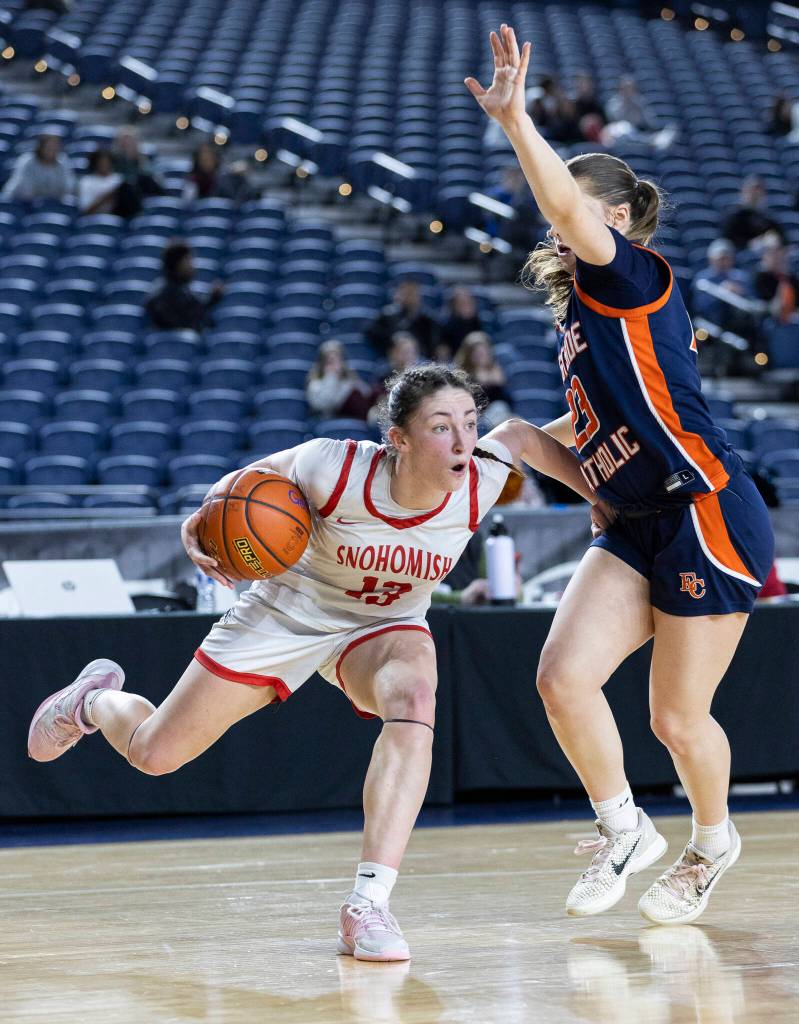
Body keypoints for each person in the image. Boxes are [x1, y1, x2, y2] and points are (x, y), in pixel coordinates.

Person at [27, 363, 608, 961]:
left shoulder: (483, 472)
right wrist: (196, 525)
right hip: (291, 611)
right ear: (399, 439)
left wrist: (601, 500)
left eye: (468, 423)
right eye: (441, 427)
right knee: (155, 753)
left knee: (414, 697)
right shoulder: (332, 465)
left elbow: (527, 437)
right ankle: (94, 700)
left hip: (387, 624)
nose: (462, 441)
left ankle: (369, 903)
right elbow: (236, 487)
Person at [467, 24, 775, 925]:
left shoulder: (630, 276)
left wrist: (519, 121)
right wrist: (514, 442)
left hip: (702, 509)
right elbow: (590, 428)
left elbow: (564, 208)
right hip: (631, 517)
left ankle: (711, 841)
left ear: (613, 220)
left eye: (573, 212)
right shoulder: (582, 321)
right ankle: (623, 827)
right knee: (561, 679)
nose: (557, 227)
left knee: (676, 721)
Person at [145, 239, 223, 331]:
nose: (192, 266)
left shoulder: (184, 290)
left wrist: (213, 300)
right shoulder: (160, 294)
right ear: (176, 264)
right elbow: (178, 325)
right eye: (187, 261)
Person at [366, 279, 440, 358]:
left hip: (419, 362)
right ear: (398, 295)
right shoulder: (387, 316)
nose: (410, 298)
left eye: (413, 293)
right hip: (391, 361)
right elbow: (372, 334)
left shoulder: (427, 321)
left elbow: (433, 346)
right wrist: (392, 342)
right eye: (406, 293)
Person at [690, 238, 753, 329]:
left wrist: (741, 292)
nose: (724, 262)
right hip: (712, 324)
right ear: (711, 259)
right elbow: (699, 305)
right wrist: (721, 292)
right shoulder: (702, 279)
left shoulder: (742, 278)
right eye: (720, 259)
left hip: (740, 325)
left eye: (727, 258)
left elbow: (753, 301)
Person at [454, 331, 513, 427]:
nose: (481, 356)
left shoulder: (497, 372)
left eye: (484, 352)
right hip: (476, 418)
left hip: (499, 415)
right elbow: (473, 404)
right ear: (469, 355)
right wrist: (482, 383)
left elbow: (509, 402)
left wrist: (499, 384)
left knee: (513, 419)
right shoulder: (462, 375)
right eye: (477, 353)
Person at [306, 339, 373, 419]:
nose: (335, 366)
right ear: (322, 364)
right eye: (330, 362)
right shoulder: (315, 384)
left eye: (338, 361)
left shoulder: (350, 379)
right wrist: (331, 378)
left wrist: (354, 382)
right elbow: (325, 406)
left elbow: (367, 396)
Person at [1, 133, 75, 203]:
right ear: (41, 148)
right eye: (49, 148)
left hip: (51, 201)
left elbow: (68, 187)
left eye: (55, 148)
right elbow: (25, 189)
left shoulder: (63, 161)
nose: (52, 151)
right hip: (20, 200)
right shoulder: (27, 160)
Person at [721, 176, 786, 250]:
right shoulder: (734, 216)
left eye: (759, 190)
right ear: (743, 191)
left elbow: (783, 239)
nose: (755, 193)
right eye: (752, 190)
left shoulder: (768, 218)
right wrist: (749, 244)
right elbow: (726, 241)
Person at [182, 143, 254, 205]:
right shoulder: (193, 180)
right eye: (204, 159)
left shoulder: (223, 178)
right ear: (197, 161)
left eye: (210, 159)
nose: (207, 162)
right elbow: (188, 202)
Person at [753, 238, 799, 323]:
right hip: (768, 320)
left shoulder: (791, 278)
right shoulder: (760, 277)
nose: (777, 258)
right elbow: (768, 305)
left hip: (793, 319)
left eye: (780, 254)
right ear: (765, 257)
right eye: (773, 254)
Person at [439, 286, 484, 358]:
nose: (467, 306)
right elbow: (443, 352)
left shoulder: (477, 322)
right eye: (462, 303)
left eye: (469, 302)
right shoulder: (447, 326)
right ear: (454, 306)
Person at [77, 148, 123, 215]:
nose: (104, 165)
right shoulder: (86, 181)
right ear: (95, 163)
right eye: (101, 162)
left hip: (117, 217)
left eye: (107, 162)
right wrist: (106, 197)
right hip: (92, 219)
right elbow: (85, 210)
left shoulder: (119, 179)